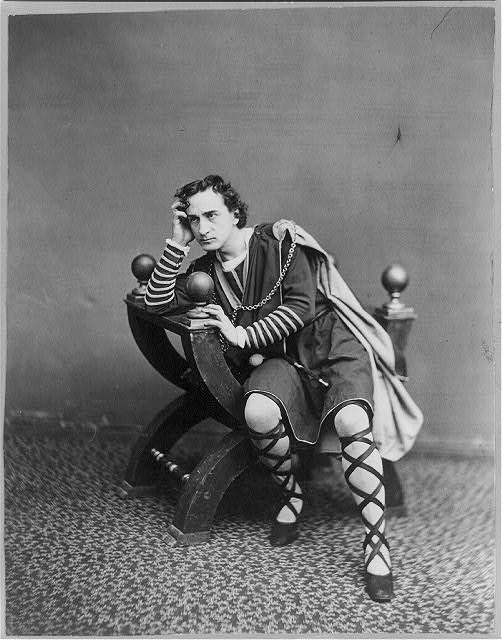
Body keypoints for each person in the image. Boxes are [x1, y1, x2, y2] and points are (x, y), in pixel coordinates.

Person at [145, 174, 423, 603]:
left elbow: (299, 308)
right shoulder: (204, 272)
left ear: (236, 213)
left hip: (328, 343)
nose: (204, 228)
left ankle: (376, 544)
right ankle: (291, 496)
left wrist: (240, 337)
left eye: (212, 215)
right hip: (280, 358)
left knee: (352, 419)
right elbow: (157, 301)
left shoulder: (280, 242)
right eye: (194, 220)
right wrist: (178, 243)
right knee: (257, 410)